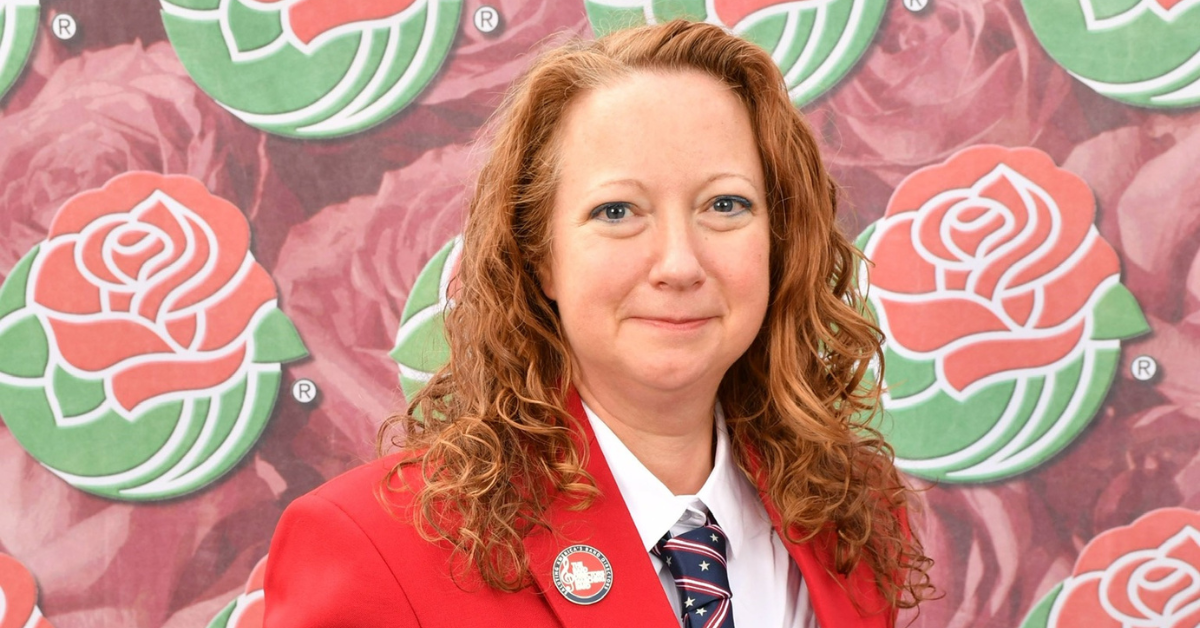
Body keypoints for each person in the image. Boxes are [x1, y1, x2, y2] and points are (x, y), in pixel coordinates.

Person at [264, 19, 934, 628]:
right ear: (540, 257)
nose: (679, 263)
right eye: (617, 212)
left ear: (778, 241)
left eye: (725, 204)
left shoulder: (852, 515)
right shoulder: (374, 545)